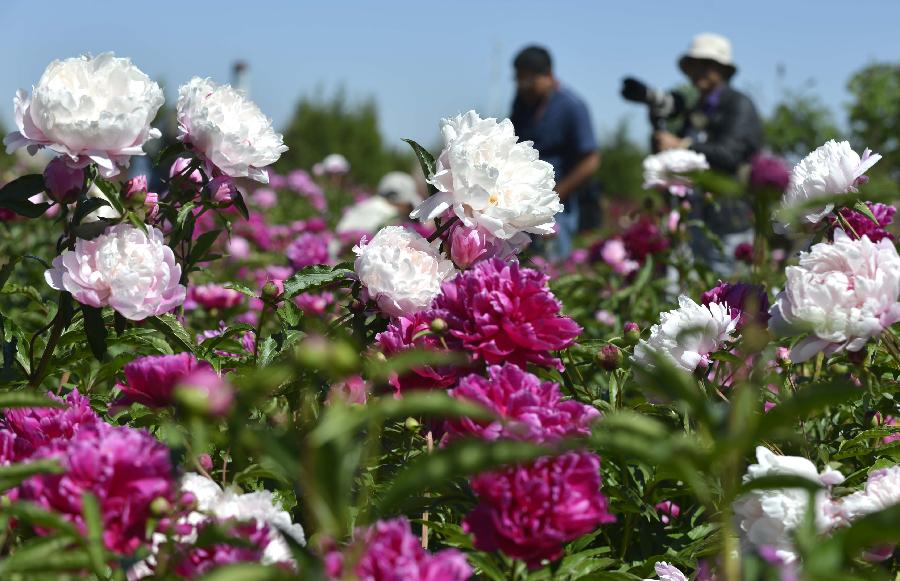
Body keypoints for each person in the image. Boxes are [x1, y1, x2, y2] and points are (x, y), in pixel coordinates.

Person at [654, 33, 763, 275]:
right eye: (695, 65)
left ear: (723, 70)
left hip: (729, 220)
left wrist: (682, 146)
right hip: (695, 219)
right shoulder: (696, 110)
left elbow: (731, 155)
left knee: (728, 295)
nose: (699, 71)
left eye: (707, 65)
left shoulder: (738, 105)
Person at [510, 46, 600, 261]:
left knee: (553, 267)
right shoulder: (521, 104)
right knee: (523, 263)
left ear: (548, 75)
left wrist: (555, 194)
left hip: (558, 206)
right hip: (523, 203)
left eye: (530, 80)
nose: (524, 87)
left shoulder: (571, 107)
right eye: (519, 80)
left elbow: (590, 160)